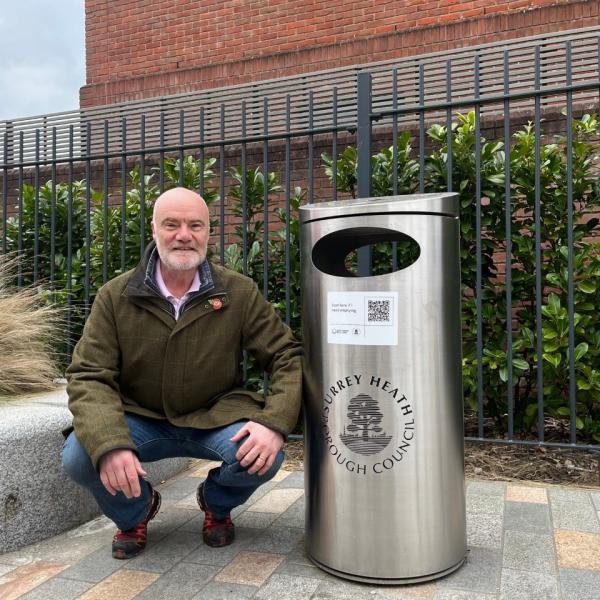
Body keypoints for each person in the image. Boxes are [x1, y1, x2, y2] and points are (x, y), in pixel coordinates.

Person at [62, 187, 302, 559]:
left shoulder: (238, 292)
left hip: (215, 415)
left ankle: (216, 503)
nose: (184, 235)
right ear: (154, 229)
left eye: (195, 225)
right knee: (80, 456)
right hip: (139, 417)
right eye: (171, 224)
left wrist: (274, 422)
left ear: (208, 231)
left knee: (263, 457)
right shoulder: (115, 295)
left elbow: (286, 355)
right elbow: (90, 374)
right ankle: (137, 511)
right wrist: (109, 442)